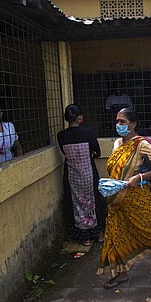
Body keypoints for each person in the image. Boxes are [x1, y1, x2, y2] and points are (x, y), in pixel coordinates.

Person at [97, 107, 151, 289]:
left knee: (144, 233)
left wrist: (140, 177)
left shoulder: (142, 144)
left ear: (134, 124)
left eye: (123, 122)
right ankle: (121, 273)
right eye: (117, 121)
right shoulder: (117, 144)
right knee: (116, 235)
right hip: (117, 198)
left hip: (137, 198)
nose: (119, 125)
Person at [57, 104, 107, 246]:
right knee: (94, 201)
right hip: (88, 174)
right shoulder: (88, 133)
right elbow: (97, 152)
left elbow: (64, 153)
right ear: (80, 118)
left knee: (76, 203)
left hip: (72, 175)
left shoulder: (61, 136)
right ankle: (99, 234)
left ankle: (84, 237)